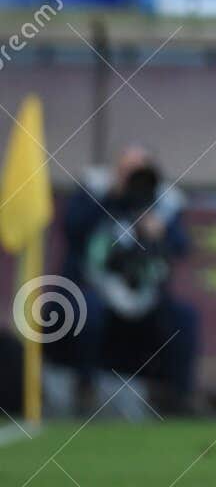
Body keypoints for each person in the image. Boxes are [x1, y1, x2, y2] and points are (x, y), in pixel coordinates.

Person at [59, 147, 198, 414]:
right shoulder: (95, 196)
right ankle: (85, 387)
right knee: (89, 310)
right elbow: (72, 230)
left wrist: (160, 233)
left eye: (140, 172)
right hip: (96, 292)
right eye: (127, 171)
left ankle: (180, 397)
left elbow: (182, 249)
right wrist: (110, 197)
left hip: (144, 300)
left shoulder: (163, 206)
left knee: (184, 317)